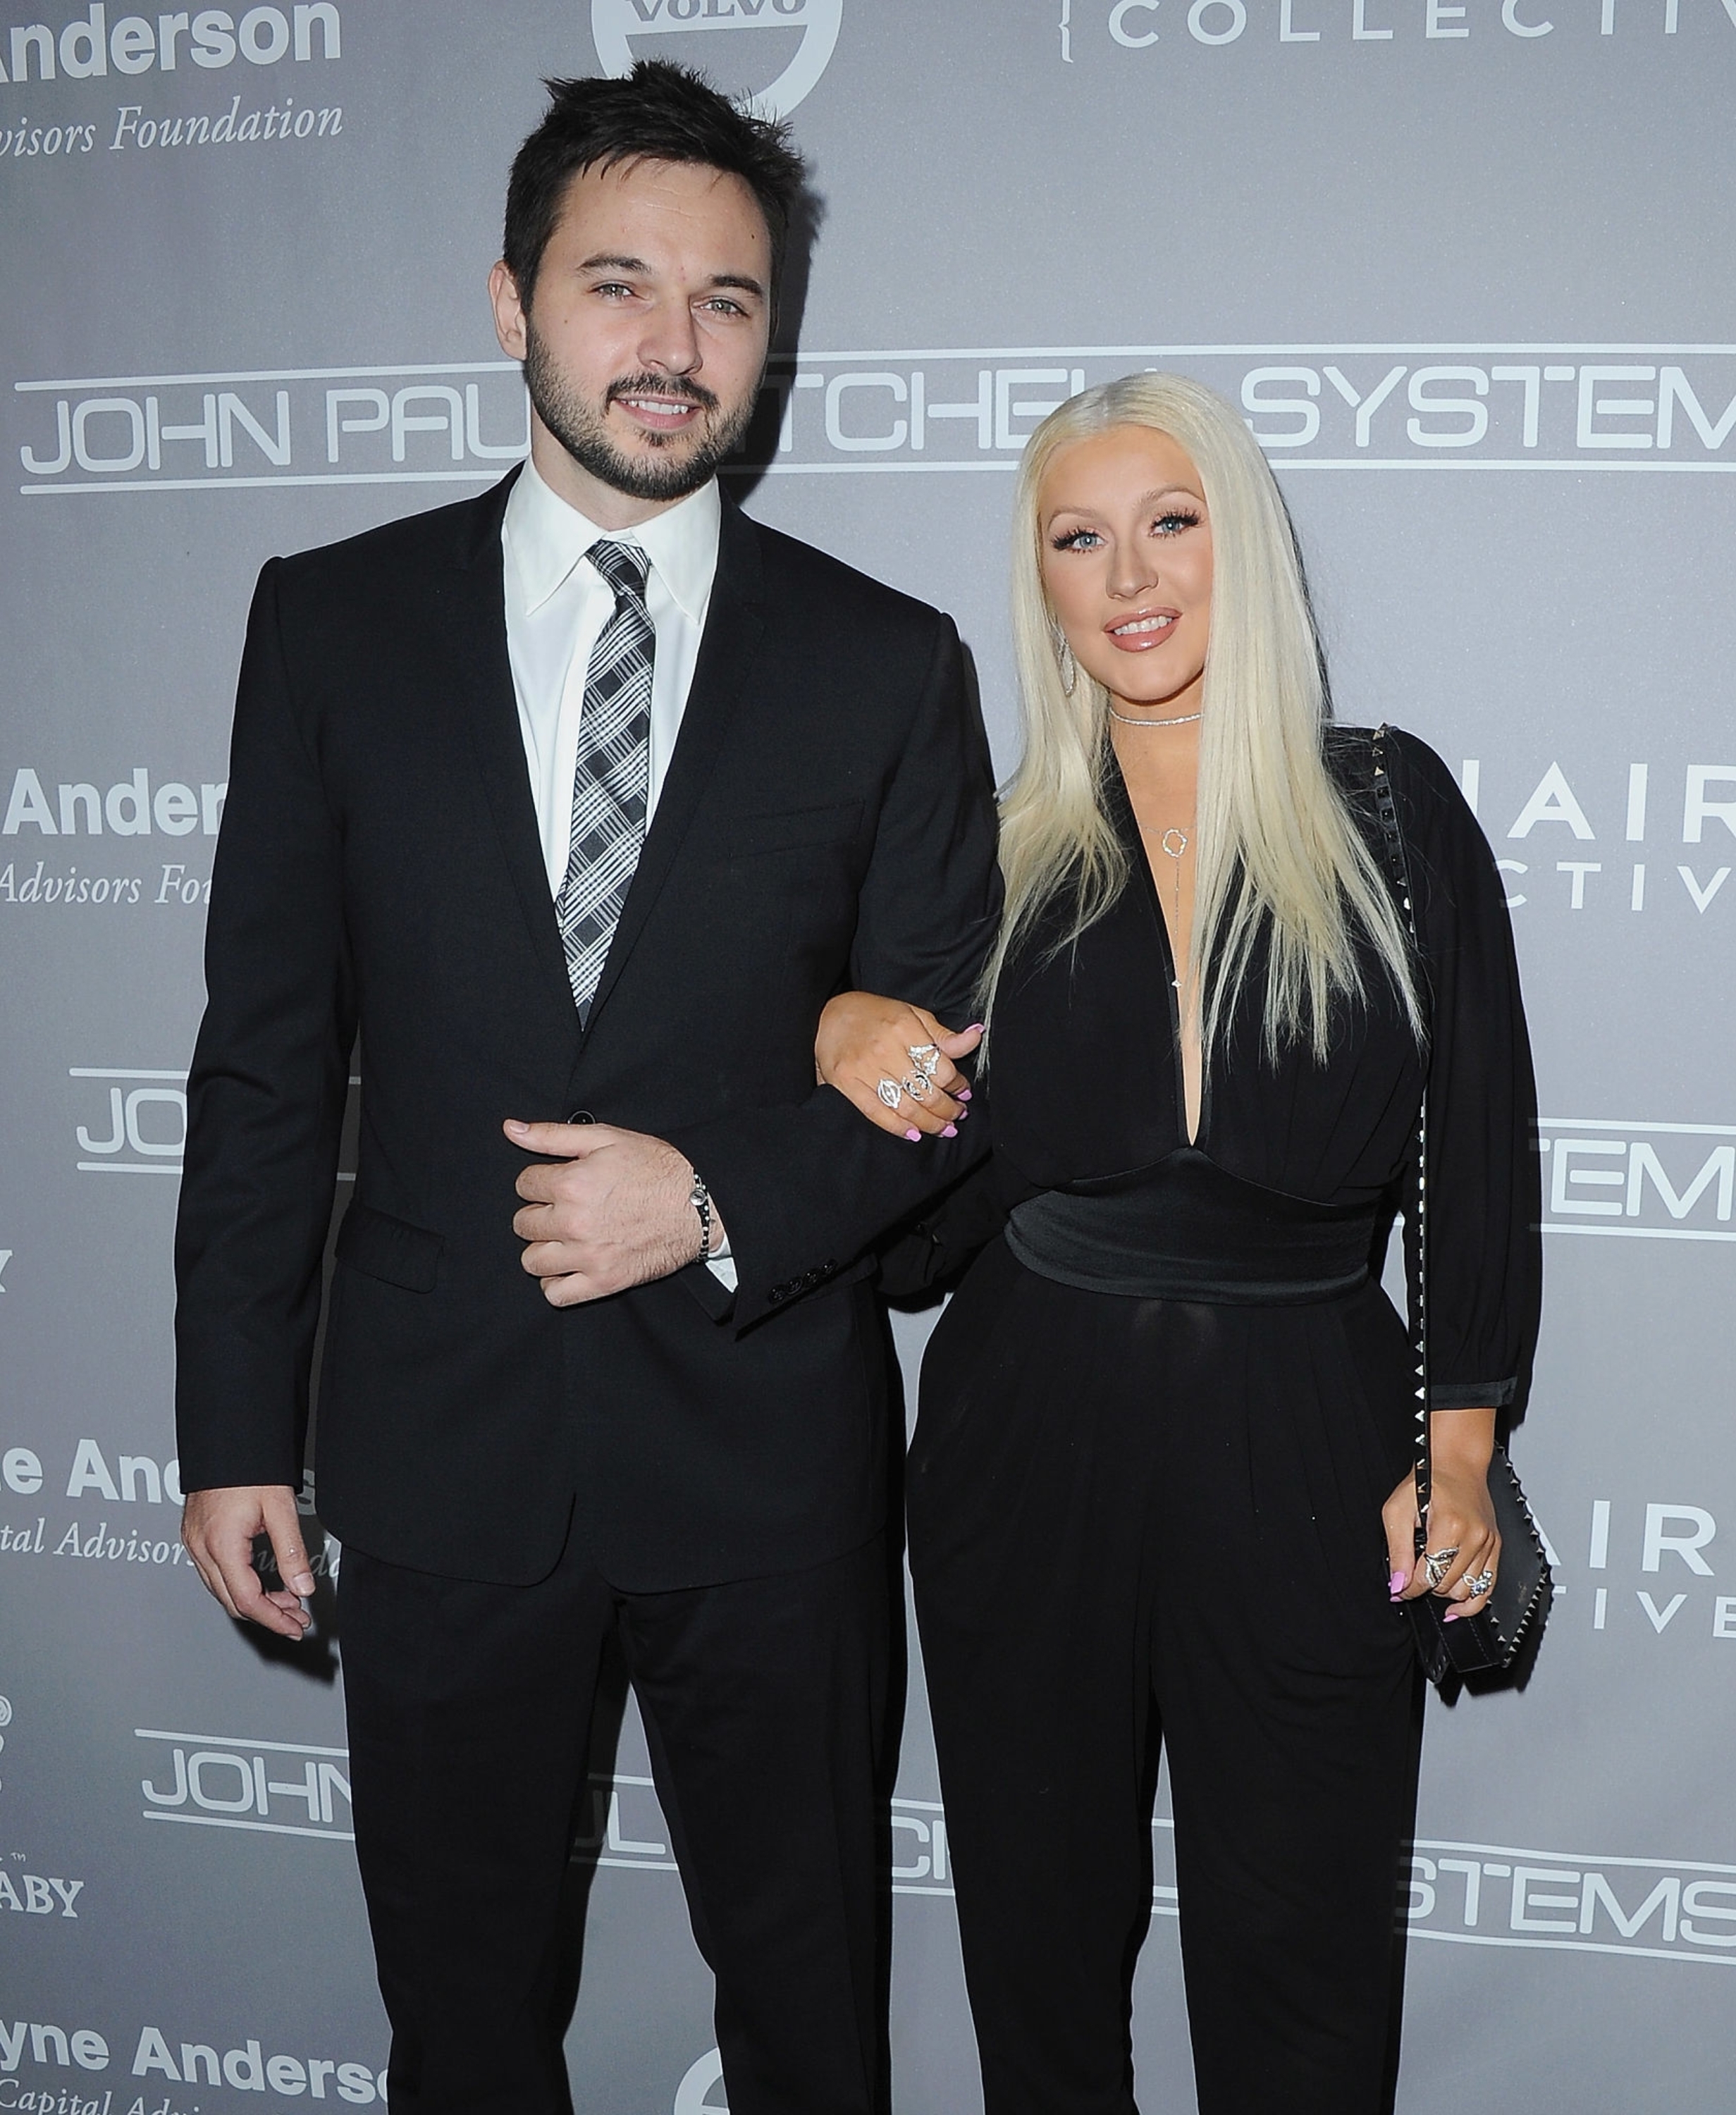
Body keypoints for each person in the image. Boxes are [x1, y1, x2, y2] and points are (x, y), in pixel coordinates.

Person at [173, 62, 999, 2115]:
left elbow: (944, 1081)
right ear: (511, 301)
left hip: (767, 1463)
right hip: (439, 1449)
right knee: (461, 2030)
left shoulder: (884, 661)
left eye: (727, 298)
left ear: (771, 336)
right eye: (618, 283)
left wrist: (708, 1199)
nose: (672, 343)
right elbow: (265, 1056)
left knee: (811, 2026)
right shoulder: (332, 624)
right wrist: (234, 1426)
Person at [814, 372, 1539, 2114]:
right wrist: (839, 1025)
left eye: (1168, 522)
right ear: (1040, 584)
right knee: (1038, 1960)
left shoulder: (1387, 811)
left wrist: (1453, 1450)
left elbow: (1473, 1150)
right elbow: (911, 1247)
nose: (1127, 576)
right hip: (1021, 1438)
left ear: (1241, 544)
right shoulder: (987, 850)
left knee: (1303, 1973)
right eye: (1077, 539)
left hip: (1311, 1437)